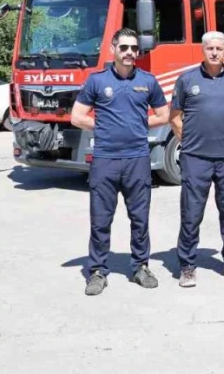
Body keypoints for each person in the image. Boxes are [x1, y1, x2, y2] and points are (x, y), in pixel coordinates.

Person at [71, 28, 169, 296]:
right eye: (123, 47)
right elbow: (77, 116)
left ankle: (140, 267)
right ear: (113, 49)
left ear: (138, 52)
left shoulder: (148, 81)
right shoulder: (97, 81)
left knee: (140, 218)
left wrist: (138, 125)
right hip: (105, 160)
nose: (129, 53)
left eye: (133, 48)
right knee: (100, 219)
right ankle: (98, 271)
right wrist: (101, 127)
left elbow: (163, 115)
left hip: (137, 159)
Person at [170, 31, 224, 287]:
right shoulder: (186, 80)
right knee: (191, 213)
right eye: (210, 48)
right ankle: (187, 265)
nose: (214, 52)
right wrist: (189, 141)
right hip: (196, 159)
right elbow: (174, 117)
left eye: (219, 49)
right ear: (202, 50)